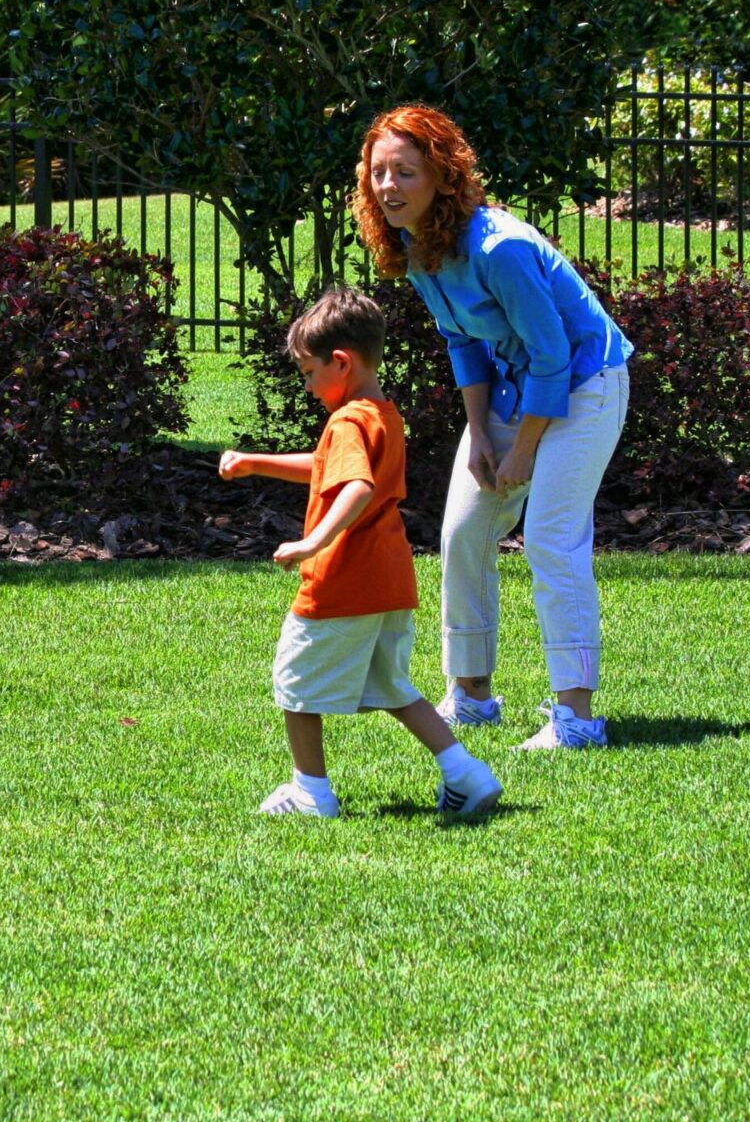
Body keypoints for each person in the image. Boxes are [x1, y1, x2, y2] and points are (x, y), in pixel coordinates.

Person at [353, 105, 633, 751]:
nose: (389, 186)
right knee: (463, 533)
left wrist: (524, 449)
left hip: (585, 385)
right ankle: (472, 697)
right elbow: (462, 340)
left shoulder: (498, 249)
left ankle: (577, 719)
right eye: (379, 173)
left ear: (443, 176)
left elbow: (554, 355)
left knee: (551, 541)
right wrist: (479, 431)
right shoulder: (413, 243)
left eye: (406, 172)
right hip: (513, 389)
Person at [219, 288, 502, 818]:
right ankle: (466, 773)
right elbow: (332, 465)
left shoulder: (347, 420)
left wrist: (312, 541)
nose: (306, 385)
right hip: (387, 580)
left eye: (307, 372)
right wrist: (258, 462)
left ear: (341, 363)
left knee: (294, 683)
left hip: (343, 580)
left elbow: (356, 487)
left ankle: (311, 793)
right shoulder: (380, 413)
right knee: (392, 686)